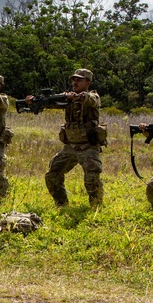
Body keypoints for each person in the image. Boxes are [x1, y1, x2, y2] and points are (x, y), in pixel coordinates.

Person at [42, 68, 105, 207]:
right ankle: (61, 204)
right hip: (70, 146)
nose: (75, 82)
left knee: (92, 178)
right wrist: (35, 101)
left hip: (88, 145)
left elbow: (90, 99)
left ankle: (97, 207)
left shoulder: (93, 96)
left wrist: (76, 97)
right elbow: (51, 102)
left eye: (79, 80)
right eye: (73, 79)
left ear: (88, 82)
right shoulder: (67, 98)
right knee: (53, 173)